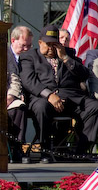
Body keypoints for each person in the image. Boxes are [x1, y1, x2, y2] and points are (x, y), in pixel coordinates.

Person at [20, 24, 98, 161]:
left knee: (94, 107)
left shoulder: (69, 54)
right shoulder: (30, 57)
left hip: (72, 99)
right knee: (40, 107)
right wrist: (49, 95)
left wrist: (65, 58)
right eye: (48, 44)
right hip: (44, 99)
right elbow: (29, 81)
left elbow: (85, 74)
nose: (51, 48)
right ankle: (44, 150)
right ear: (40, 43)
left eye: (54, 44)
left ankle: (81, 151)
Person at [7, 26, 33, 163]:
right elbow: (12, 78)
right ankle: (11, 148)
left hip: (26, 97)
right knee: (18, 108)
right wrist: (10, 96)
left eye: (29, 45)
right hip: (6, 95)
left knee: (20, 107)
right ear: (13, 40)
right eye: (23, 45)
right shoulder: (3, 53)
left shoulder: (32, 56)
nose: (26, 49)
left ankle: (17, 147)